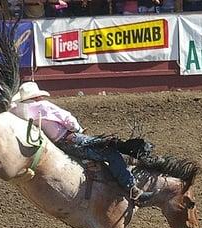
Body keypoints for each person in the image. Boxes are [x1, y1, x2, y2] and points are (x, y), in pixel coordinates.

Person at [9, 81, 153, 202]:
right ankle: (132, 189)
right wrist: (77, 129)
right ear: (37, 96)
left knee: (105, 145)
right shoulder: (43, 106)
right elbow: (68, 119)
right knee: (110, 151)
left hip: (54, 145)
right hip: (70, 140)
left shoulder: (18, 112)